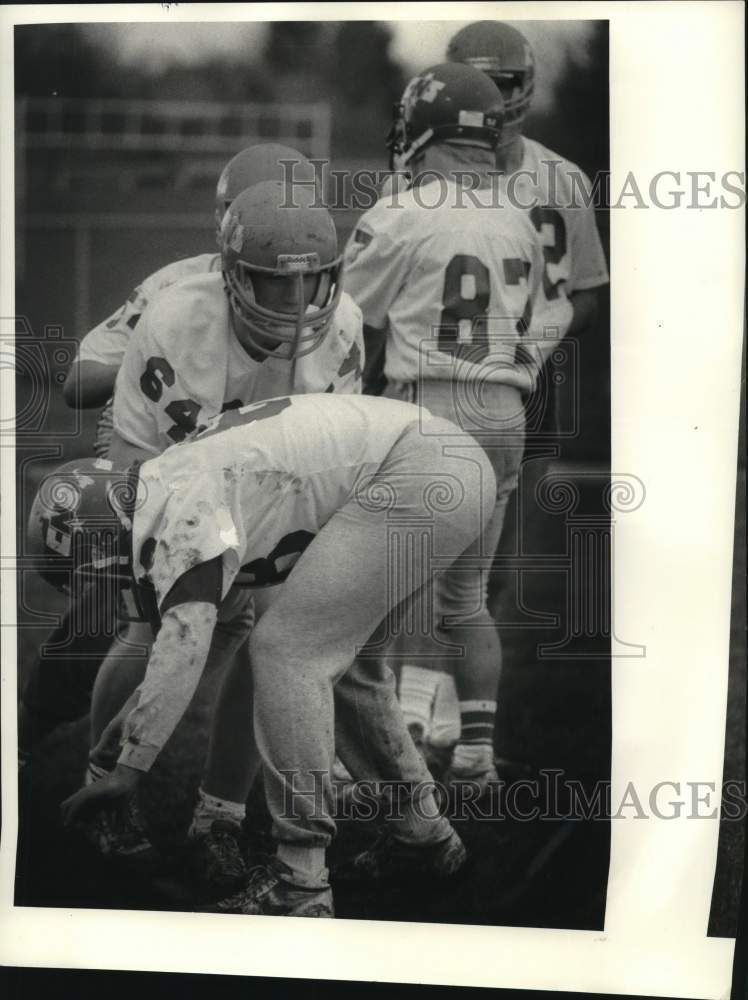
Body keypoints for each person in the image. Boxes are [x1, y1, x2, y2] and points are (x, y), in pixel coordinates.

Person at [28, 392, 496, 917]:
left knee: (287, 651)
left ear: (103, 533)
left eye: (104, 569)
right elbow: (202, 641)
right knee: (348, 669)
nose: (117, 582)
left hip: (416, 468)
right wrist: (130, 731)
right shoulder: (180, 480)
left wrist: (130, 769)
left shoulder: (183, 505)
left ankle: (300, 882)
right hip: (443, 461)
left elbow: (184, 642)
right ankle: (425, 840)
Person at [53, 177, 364, 897]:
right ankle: (108, 791)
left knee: (273, 632)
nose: (294, 305)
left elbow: (326, 445)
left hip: (274, 474)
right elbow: (179, 468)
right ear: (229, 267)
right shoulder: (179, 315)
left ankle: (218, 817)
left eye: (309, 283)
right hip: (167, 463)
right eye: (270, 283)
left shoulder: (344, 321)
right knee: (150, 628)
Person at [18, 143, 323, 764]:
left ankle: (221, 801)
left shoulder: (326, 303)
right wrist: (155, 355)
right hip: (154, 439)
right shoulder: (180, 290)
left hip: (250, 464)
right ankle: (30, 733)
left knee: (259, 623)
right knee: (119, 607)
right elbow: (79, 381)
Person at [343, 62, 573, 790]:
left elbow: (349, 321)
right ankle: (475, 755)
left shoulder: (401, 212)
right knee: (467, 596)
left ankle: (406, 736)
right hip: (504, 411)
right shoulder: (519, 219)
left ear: (425, 132)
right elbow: (540, 321)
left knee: (401, 586)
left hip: (432, 403)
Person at [400, 21, 610, 764]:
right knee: (425, 550)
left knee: (493, 551)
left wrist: (539, 339)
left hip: (527, 375)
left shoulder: (561, 180)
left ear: (528, 86)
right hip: (451, 372)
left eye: (506, 81)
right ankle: (426, 710)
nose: (495, 97)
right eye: (478, 81)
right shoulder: (428, 176)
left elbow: (586, 289)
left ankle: (456, 719)